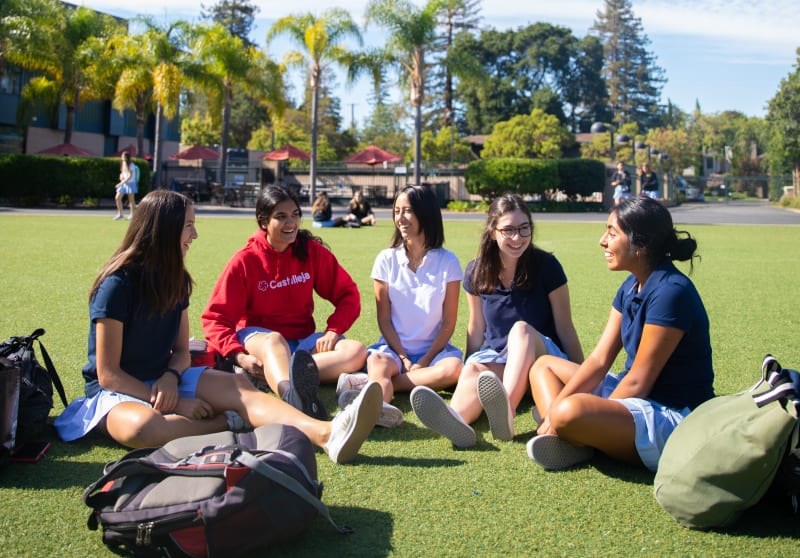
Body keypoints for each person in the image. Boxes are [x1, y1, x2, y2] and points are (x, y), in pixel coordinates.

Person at [54, 190, 381, 464]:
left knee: (242, 390)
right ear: (164, 230)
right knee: (143, 428)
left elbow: (181, 352)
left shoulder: (177, 279)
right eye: (188, 226)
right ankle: (231, 423)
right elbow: (108, 374)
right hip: (118, 392)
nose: (194, 235)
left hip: (167, 379)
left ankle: (327, 433)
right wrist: (177, 402)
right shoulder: (117, 285)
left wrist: (171, 377)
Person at [526, 197, 714, 471]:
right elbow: (599, 360)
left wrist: (577, 412)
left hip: (671, 413)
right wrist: (558, 413)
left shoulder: (671, 292)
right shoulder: (631, 285)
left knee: (570, 410)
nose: (602, 241)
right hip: (634, 400)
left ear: (641, 244)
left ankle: (576, 433)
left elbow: (638, 383)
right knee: (543, 366)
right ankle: (576, 436)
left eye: (612, 233)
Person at [409, 193, 583, 447]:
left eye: (524, 229)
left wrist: (581, 374)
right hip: (501, 361)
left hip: (541, 359)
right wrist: (469, 364)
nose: (517, 238)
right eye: (508, 230)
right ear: (493, 232)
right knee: (474, 370)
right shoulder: (476, 270)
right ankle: (456, 421)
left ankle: (507, 411)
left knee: (521, 331)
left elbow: (565, 326)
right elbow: (476, 327)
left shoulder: (547, 266)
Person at [202, 185, 367, 421]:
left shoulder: (311, 252)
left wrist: (333, 330)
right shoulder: (245, 260)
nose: (291, 223)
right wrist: (239, 356)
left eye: (295, 215)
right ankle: (293, 398)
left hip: (301, 343)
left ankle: (275, 374)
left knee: (355, 351)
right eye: (281, 217)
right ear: (263, 222)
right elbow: (215, 319)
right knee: (275, 340)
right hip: (259, 339)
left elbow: (348, 294)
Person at [336, 185, 463, 428]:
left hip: (435, 353)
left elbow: (449, 322)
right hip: (392, 349)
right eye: (397, 211)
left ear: (426, 213)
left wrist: (424, 360)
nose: (400, 218)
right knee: (379, 363)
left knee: (453, 370)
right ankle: (375, 410)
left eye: (408, 211)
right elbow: (384, 319)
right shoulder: (386, 259)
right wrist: (403, 357)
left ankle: (367, 385)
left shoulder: (448, 261)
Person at [113, 152, 138, 221]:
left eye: (123, 156)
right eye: (122, 156)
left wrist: (121, 183)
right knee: (117, 198)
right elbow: (122, 173)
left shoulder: (131, 165)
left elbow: (130, 176)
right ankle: (120, 214)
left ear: (127, 157)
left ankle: (132, 215)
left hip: (130, 183)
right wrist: (121, 176)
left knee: (131, 200)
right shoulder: (123, 163)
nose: (122, 158)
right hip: (124, 183)